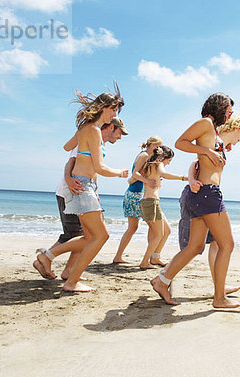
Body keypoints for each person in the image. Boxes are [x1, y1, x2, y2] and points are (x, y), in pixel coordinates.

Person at [150, 92, 240, 308]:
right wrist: (206, 150)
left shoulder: (212, 131)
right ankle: (219, 298)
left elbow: (202, 160)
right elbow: (180, 142)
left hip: (202, 194)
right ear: (220, 107)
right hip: (208, 194)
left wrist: (219, 148)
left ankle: (162, 280)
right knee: (227, 244)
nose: (230, 114)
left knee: (194, 247)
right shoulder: (205, 122)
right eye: (229, 110)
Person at [32, 117, 128, 280]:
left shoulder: (98, 143)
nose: (120, 137)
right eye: (120, 132)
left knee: (84, 235)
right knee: (78, 235)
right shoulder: (89, 136)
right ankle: (46, 258)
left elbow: (91, 169)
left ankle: (67, 271)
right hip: (71, 190)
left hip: (81, 190)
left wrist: (94, 192)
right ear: (111, 127)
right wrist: (68, 178)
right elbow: (72, 160)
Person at [58, 84, 128, 292]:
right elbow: (99, 167)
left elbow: (67, 147)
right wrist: (120, 173)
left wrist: (80, 151)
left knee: (91, 236)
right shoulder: (95, 131)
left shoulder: (85, 128)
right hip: (83, 186)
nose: (114, 115)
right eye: (113, 110)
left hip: (83, 185)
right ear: (104, 107)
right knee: (101, 236)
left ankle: (68, 273)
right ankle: (71, 281)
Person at [177, 113, 240, 295]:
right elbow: (196, 161)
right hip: (205, 195)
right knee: (208, 245)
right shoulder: (213, 138)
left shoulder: (220, 144)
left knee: (214, 244)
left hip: (209, 195)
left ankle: (219, 285)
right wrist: (191, 180)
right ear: (236, 128)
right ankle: (165, 278)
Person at [113, 136, 163, 265]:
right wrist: (147, 181)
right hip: (135, 194)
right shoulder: (144, 155)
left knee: (139, 227)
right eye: (158, 145)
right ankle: (148, 258)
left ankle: (148, 256)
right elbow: (135, 174)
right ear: (151, 144)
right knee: (146, 227)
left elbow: (137, 175)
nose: (159, 148)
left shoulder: (147, 156)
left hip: (137, 193)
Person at [138, 145, 187, 269]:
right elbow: (164, 174)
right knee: (158, 235)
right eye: (169, 161)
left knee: (167, 230)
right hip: (151, 202)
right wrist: (183, 178)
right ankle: (144, 262)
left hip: (149, 202)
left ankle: (155, 257)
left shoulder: (150, 164)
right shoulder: (158, 164)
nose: (169, 163)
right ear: (164, 157)